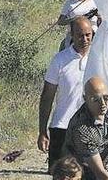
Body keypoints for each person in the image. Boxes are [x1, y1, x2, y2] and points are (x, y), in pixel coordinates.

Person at [39, 18, 94, 168]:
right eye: (80, 35)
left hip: (89, 128)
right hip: (62, 127)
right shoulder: (60, 60)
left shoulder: (98, 59)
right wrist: (42, 131)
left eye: (88, 35)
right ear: (72, 35)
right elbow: (47, 96)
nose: (85, 39)